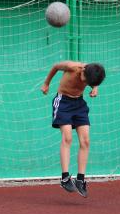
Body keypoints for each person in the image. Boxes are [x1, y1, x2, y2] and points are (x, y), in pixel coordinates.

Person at [41, 61, 106, 197]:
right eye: (86, 80)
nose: (85, 82)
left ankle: (80, 179)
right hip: (63, 102)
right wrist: (46, 83)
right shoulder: (72, 67)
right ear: (83, 70)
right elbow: (55, 67)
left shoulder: (91, 74)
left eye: (88, 83)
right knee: (68, 138)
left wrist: (95, 88)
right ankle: (65, 178)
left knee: (86, 141)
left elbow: (94, 80)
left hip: (79, 104)